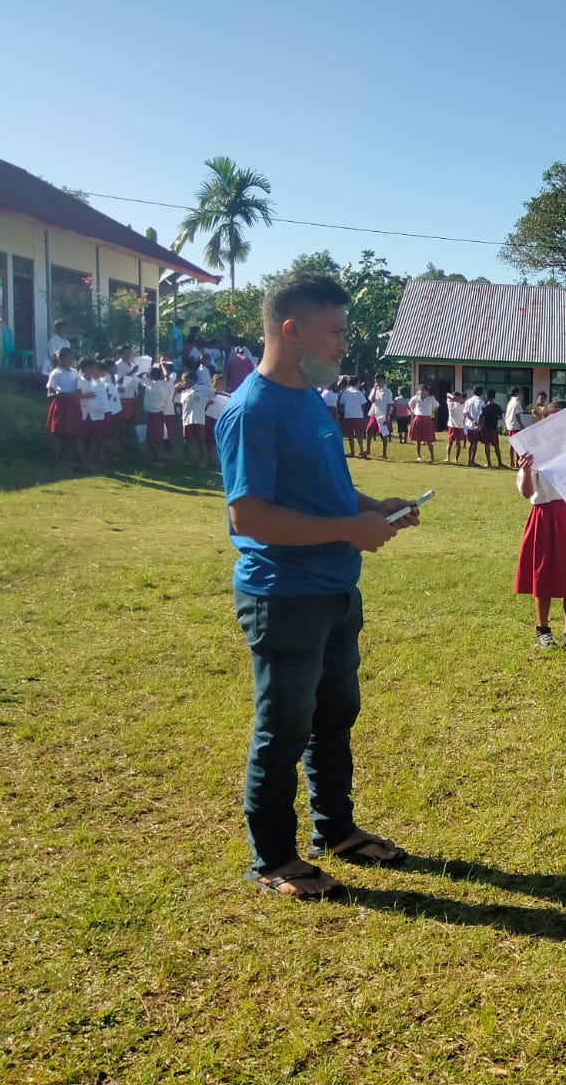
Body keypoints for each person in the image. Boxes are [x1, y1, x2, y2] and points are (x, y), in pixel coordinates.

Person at [216, 269, 422, 900]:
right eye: (334, 332)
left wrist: (371, 506)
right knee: (283, 726)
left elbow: (323, 490)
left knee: (333, 715)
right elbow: (248, 515)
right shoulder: (251, 410)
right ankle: (273, 859)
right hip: (283, 596)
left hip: (334, 588)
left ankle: (335, 831)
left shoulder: (308, 398)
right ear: (292, 329)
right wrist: (348, 528)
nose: (342, 345)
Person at [515, 400, 566, 650]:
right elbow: (527, 493)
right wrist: (527, 471)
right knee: (543, 572)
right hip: (544, 515)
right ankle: (543, 629)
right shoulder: (534, 453)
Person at [45, 348, 84, 468]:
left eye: (72, 358)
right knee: (59, 434)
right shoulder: (56, 373)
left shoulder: (75, 372)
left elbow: (79, 389)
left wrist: (76, 393)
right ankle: (58, 462)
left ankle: (70, 460)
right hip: (62, 404)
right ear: (61, 359)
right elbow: (50, 393)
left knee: (73, 433)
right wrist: (66, 395)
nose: (71, 361)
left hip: (74, 404)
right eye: (68, 358)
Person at [180, 371, 216, 467]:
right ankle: (186, 459)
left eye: (184, 381)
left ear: (191, 380)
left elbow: (214, 394)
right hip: (186, 419)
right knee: (186, 441)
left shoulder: (201, 388)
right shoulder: (183, 392)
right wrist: (175, 389)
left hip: (199, 419)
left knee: (201, 441)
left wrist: (208, 402)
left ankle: (202, 460)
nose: (182, 383)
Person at [140, 365, 173, 463]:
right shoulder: (163, 384)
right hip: (159, 413)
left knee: (152, 439)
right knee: (159, 437)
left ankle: (158, 459)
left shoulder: (153, 385)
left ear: (151, 377)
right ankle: (159, 455)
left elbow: (142, 379)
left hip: (154, 415)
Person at [364, 375, 393, 460]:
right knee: (368, 431)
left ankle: (384, 453)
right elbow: (372, 400)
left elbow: (389, 404)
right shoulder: (374, 390)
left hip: (382, 415)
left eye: (379, 381)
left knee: (383, 434)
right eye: (376, 381)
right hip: (374, 413)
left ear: (384, 381)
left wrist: (387, 417)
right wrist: (375, 390)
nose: (378, 383)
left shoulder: (388, 392)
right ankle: (368, 449)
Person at [338, 376, 368, 456]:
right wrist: (363, 414)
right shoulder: (359, 393)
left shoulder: (345, 392)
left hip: (348, 415)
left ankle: (352, 451)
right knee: (360, 434)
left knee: (350, 434)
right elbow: (363, 405)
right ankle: (361, 450)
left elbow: (342, 404)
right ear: (357, 383)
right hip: (359, 415)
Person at [408, 384, 438, 462]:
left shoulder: (431, 399)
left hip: (427, 420)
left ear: (427, 392)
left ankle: (432, 457)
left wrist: (432, 412)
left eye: (423, 390)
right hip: (418, 419)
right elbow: (410, 405)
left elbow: (437, 405)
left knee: (429, 440)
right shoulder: (415, 399)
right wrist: (413, 411)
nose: (421, 392)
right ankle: (419, 456)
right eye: (420, 390)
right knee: (418, 439)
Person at [479, 388, 503, 468]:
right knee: (496, 446)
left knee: (487, 445)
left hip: (486, 428)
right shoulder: (497, 407)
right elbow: (501, 417)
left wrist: (481, 429)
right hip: (494, 428)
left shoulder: (485, 407)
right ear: (494, 397)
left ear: (487, 396)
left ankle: (489, 463)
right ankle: (500, 463)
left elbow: (482, 418)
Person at [462, 388, 484, 465]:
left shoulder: (468, 401)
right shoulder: (481, 402)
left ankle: (469, 460)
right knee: (475, 443)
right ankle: (472, 460)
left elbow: (465, 413)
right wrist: (477, 424)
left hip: (468, 425)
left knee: (470, 443)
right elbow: (480, 414)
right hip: (476, 425)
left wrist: (471, 420)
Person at [444, 390, 467, 464]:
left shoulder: (464, 405)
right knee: (450, 443)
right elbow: (447, 394)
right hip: (452, 425)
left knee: (458, 444)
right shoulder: (450, 403)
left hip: (460, 426)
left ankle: (456, 459)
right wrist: (453, 397)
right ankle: (448, 457)